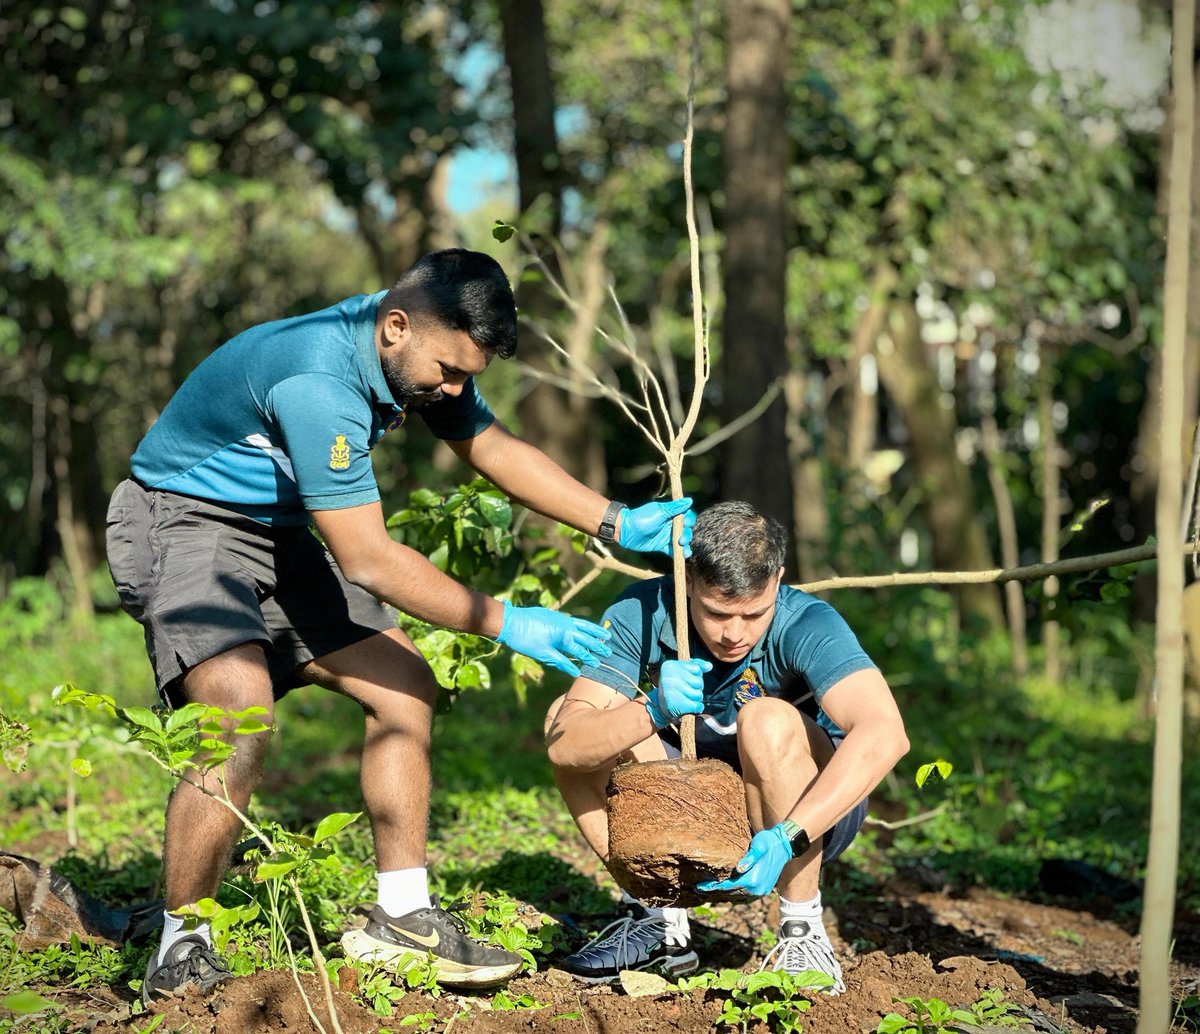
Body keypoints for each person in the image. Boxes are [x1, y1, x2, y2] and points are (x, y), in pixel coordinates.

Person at [105, 248, 695, 1001]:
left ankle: (402, 916)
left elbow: (493, 447)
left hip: (280, 532)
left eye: (467, 375)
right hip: (183, 520)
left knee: (406, 685)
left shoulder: (411, 353)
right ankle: (182, 944)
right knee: (234, 711)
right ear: (395, 327)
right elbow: (370, 561)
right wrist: (504, 621)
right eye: (449, 371)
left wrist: (616, 521)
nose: (454, 389)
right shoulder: (321, 383)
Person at [543, 501, 908, 992]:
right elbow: (567, 746)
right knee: (567, 718)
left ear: (778, 581)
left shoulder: (807, 623)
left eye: (753, 614)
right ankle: (657, 919)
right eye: (716, 613)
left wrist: (788, 836)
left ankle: (802, 930)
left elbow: (885, 732)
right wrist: (649, 710)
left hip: (804, 815)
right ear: (687, 580)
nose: (734, 634)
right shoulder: (645, 613)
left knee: (767, 718)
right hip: (687, 805)